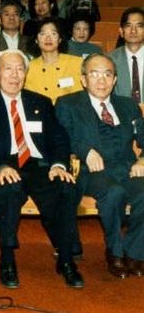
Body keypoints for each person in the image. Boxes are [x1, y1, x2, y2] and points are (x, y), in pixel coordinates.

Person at [0, 50, 83, 289]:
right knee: (9, 192)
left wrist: (58, 165)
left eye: (20, 69)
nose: (14, 75)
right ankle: (7, 259)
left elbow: (58, 138)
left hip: (40, 166)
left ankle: (65, 259)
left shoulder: (40, 102)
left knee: (65, 187)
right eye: (8, 69)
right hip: (5, 164)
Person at [56, 53, 144, 279]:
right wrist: (85, 151)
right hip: (91, 172)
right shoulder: (68, 104)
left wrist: (143, 159)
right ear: (83, 79)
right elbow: (60, 138)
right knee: (114, 193)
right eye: (94, 74)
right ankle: (115, 251)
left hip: (126, 167)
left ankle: (135, 252)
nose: (101, 80)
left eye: (107, 75)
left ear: (115, 80)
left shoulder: (128, 105)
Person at [24, 18, 83, 103]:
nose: (48, 38)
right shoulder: (29, 68)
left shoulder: (77, 63)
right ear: (36, 40)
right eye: (43, 34)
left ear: (59, 39)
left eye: (53, 34)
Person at [108, 7, 144, 101]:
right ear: (121, 31)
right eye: (128, 26)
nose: (133, 31)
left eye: (139, 26)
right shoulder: (110, 60)